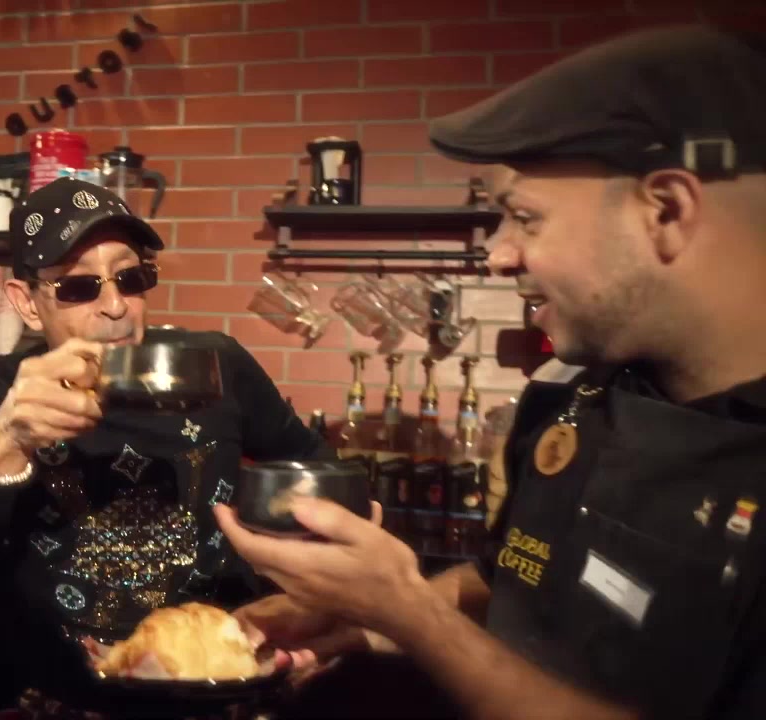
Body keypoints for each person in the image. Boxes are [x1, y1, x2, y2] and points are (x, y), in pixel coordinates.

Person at [214, 25, 766, 720]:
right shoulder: (566, 397)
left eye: (525, 219)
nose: (499, 256)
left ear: (666, 211)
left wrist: (411, 613)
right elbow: (506, 581)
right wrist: (361, 620)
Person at [0, 177, 335, 718]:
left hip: (207, 692)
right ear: (27, 304)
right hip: (49, 699)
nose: (115, 306)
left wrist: (299, 596)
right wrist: (8, 442)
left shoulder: (211, 366)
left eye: (131, 278)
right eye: (79, 287)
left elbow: (316, 470)